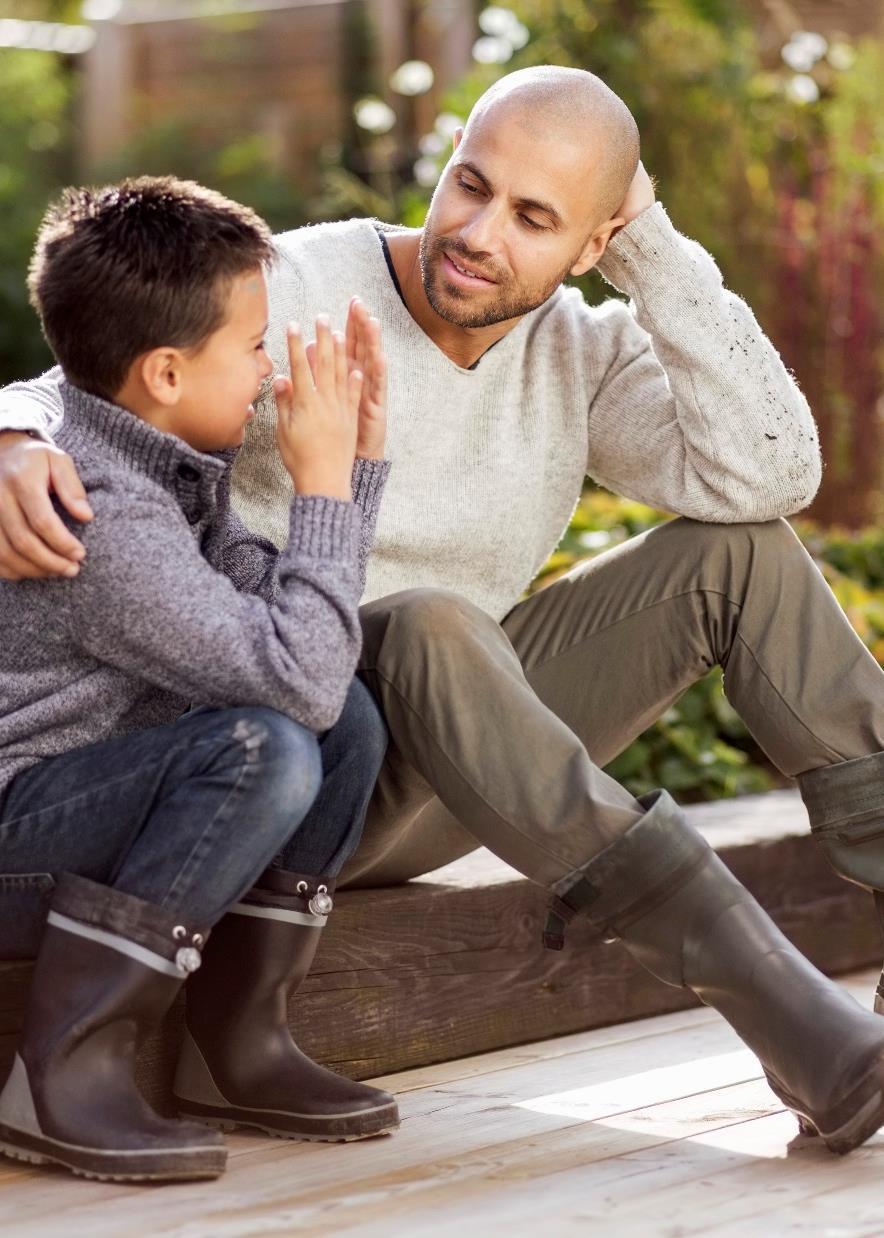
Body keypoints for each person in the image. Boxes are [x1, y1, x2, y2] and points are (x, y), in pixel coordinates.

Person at [2, 67, 884, 1154]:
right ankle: (787, 1016)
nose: (474, 232)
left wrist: (655, 246)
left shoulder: (583, 354)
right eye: (469, 184)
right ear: (448, 155)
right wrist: (10, 435)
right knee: (428, 621)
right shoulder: (300, 284)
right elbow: (109, 369)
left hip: (474, 761)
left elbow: (771, 469)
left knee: (738, 555)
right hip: (294, 765)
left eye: (532, 217)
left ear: (596, 242)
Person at [0, 176, 399, 1183]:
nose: (271, 375)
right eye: (256, 345)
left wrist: (353, 469)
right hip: (15, 835)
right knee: (259, 744)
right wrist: (320, 486)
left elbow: (303, 641)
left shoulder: (163, 460)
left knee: (346, 717)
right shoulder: (102, 514)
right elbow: (290, 682)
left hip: (91, 800)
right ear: (167, 372)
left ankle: (237, 1039)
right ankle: (60, 1070)